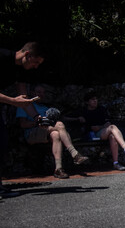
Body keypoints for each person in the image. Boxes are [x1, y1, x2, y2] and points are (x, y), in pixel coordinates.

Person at [0, 42, 45, 198]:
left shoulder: (22, 70)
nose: (36, 67)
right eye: (35, 62)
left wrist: (37, 117)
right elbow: (16, 101)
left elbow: (24, 100)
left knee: (2, 142)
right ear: (27, 55)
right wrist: (13, 101)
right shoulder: (2, 56)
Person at [16, 85, 90, 179]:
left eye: (43, 92)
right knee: (59, 125)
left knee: (55, 134)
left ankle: (58, 169)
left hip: (48, 131)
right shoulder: (25, 105)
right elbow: (23, 124)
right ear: (32, 93)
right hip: (33, 133)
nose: (41, 95)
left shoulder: (45, 107)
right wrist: (39, 122)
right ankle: (74, 153)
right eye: (39, 92)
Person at [78, 90, 125, 171]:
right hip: (91, 134)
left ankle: (116, 162)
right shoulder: (84, 111)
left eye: (96, 99)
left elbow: (107, 123)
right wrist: (78, 118)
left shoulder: (101, 109)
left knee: (112, 134)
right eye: (92, 99)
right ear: (87, 102)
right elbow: (65, 117)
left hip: (102, 131)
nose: (95, 101)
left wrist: (100, 127)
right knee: (112, 130)